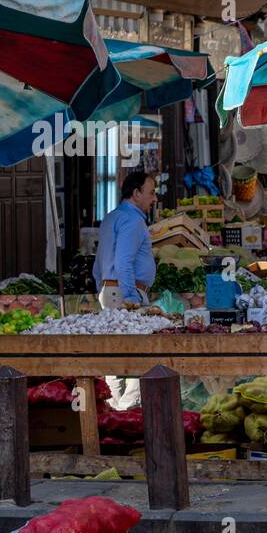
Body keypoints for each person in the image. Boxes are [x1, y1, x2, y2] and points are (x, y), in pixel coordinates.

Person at [93, 171, 156, 409]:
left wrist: (103, 289)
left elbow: (98, 264)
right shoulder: (133, 220)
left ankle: (115, 408)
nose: (154, 198)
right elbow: (123, 261)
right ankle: (127, 411)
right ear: (136, 193)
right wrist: (131, 298)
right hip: (126, 293)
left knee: (115, 352)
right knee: (139, 355)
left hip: (110, 291)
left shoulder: (111, 217)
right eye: (151, 193)